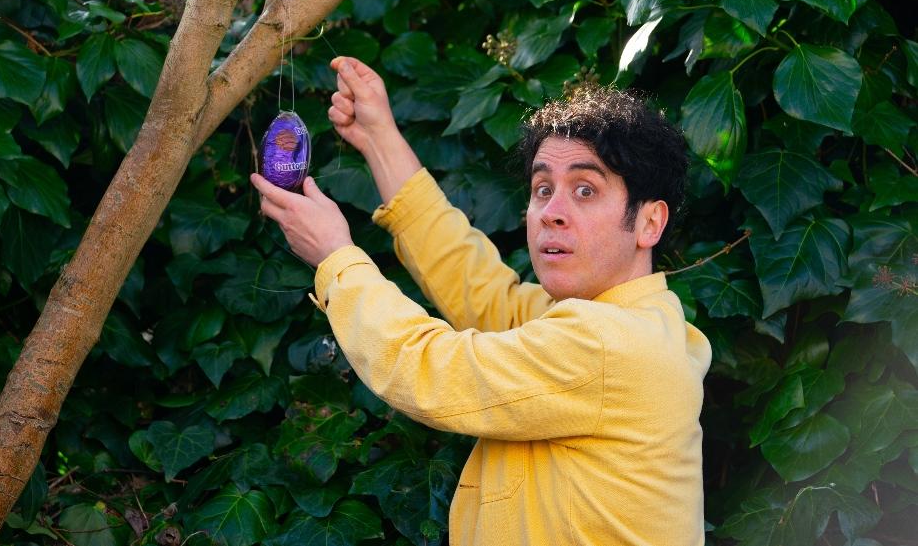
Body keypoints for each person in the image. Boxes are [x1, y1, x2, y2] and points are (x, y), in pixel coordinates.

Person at [251, 56, 712, 546]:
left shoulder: (609, 345)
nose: (551, 213)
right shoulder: (623, 322)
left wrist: (336, 258)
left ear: (649, 223)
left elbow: (428, 369)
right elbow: (486, 294)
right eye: (542, 189)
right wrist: (379, 137)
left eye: (585, 190)